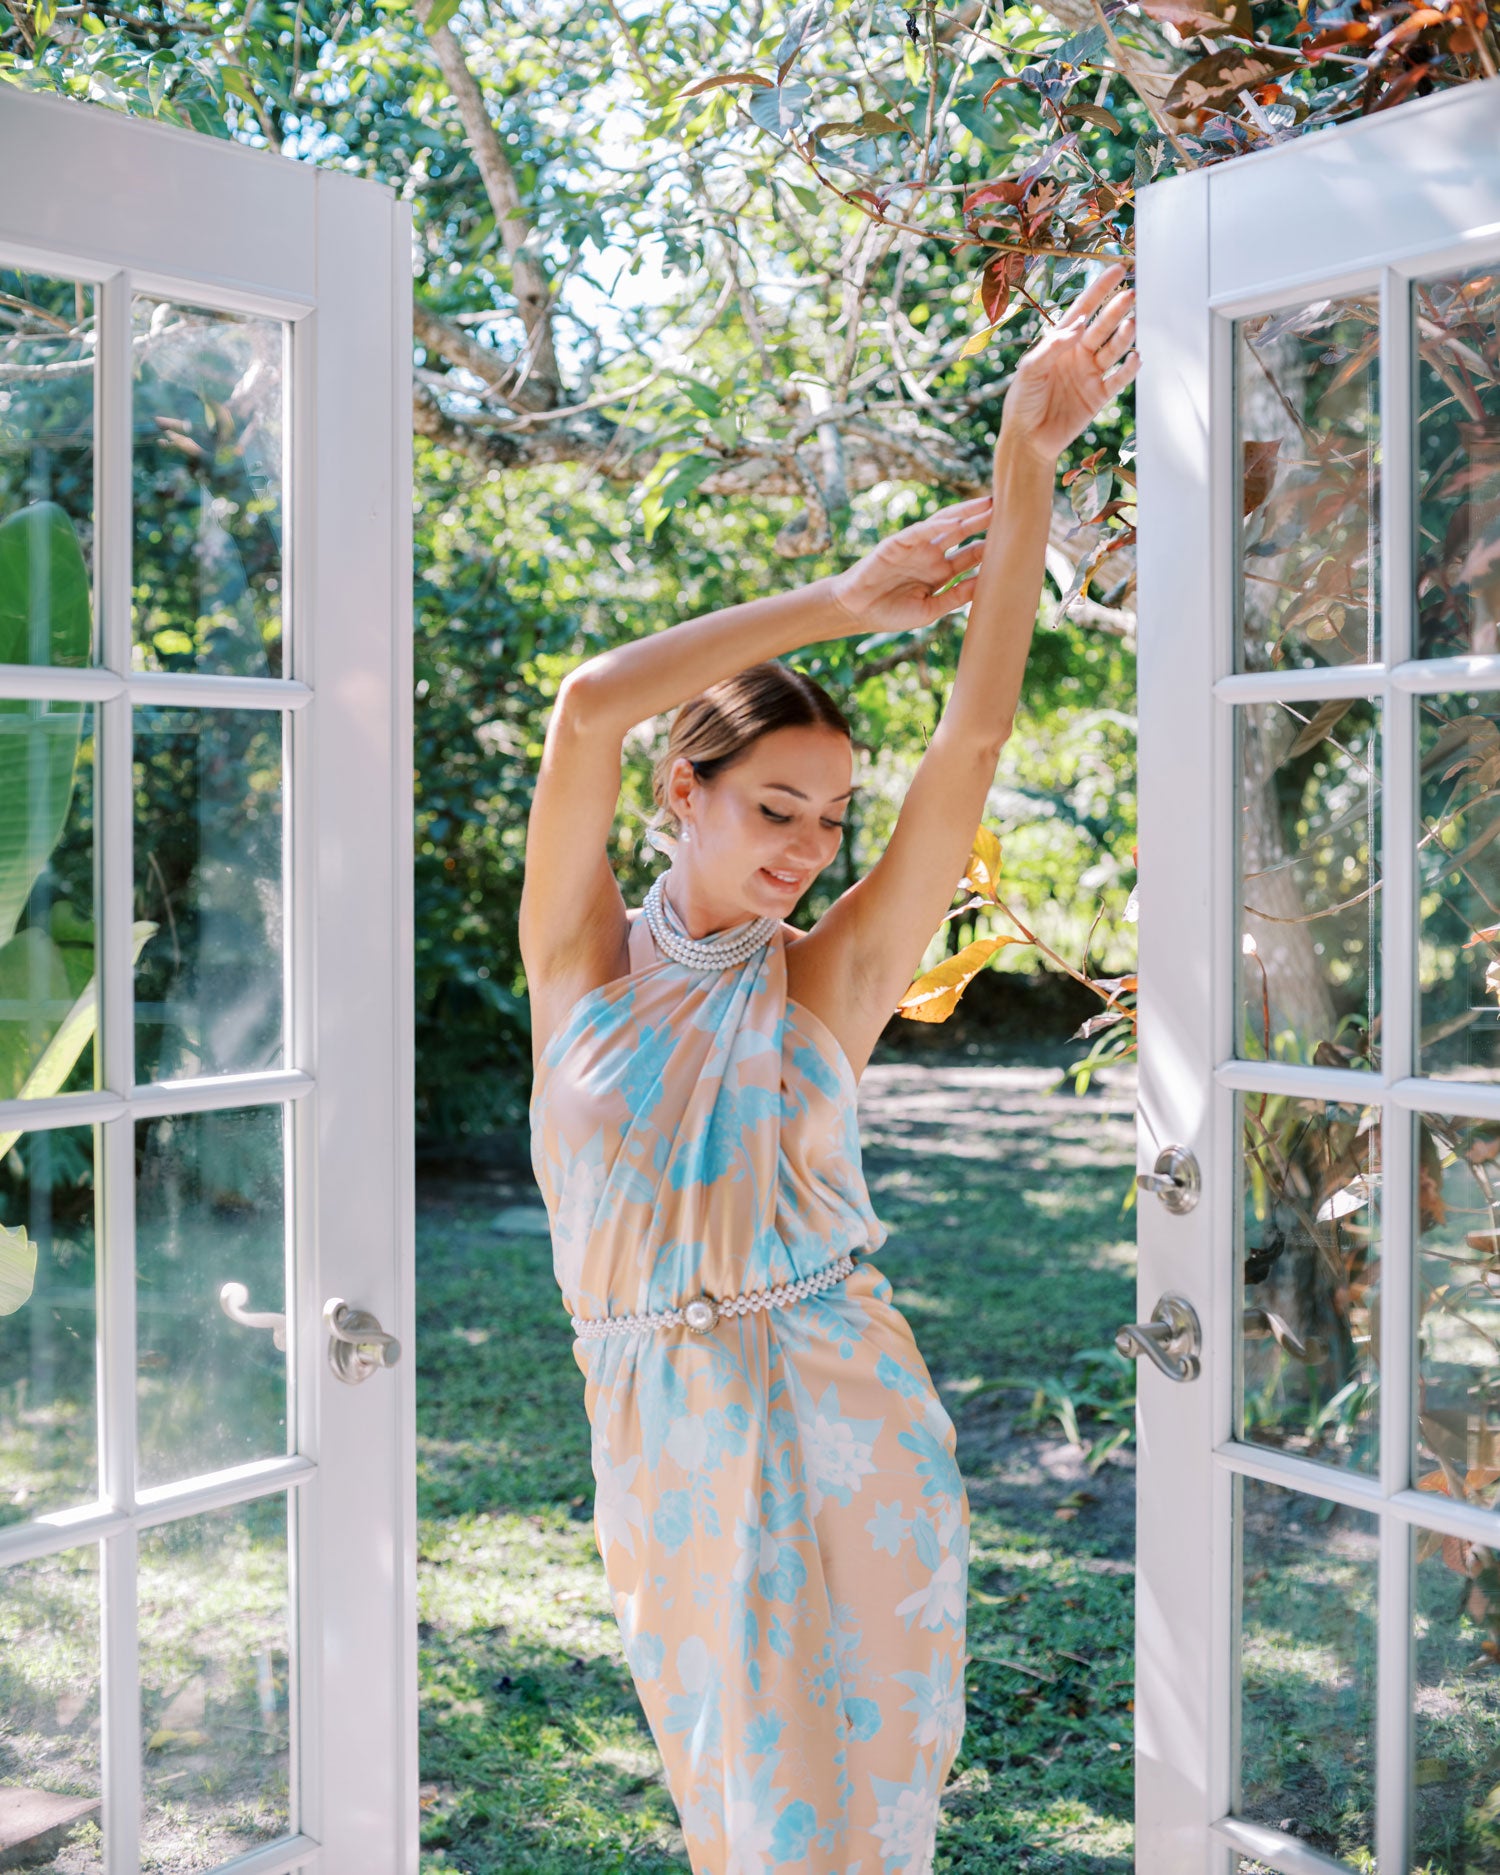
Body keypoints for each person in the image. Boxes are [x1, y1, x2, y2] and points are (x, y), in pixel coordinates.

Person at [522, 262, 1138, 1875]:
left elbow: (974, 747)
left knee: (858, 1825)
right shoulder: (578, 967)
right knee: (739, 1813)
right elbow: (586, 709)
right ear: (688, 794)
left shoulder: (826, 982)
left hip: (848, 1408)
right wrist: (845, 607)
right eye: (773, 807)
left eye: (829, 819)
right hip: (662, 1431)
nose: (808, 848)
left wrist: (1030, 465)